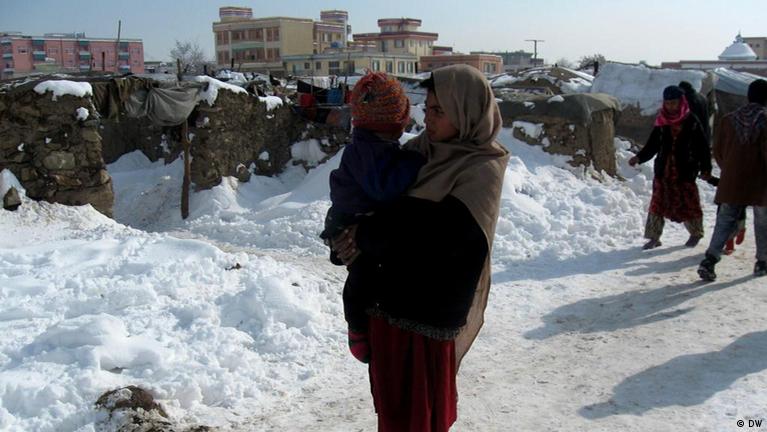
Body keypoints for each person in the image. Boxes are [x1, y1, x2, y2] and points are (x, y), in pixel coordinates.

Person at [331, 64, 509, 431]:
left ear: (466, 112)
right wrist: (345, 240)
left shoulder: (478, 169)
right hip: (385, 313)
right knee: (394, 414)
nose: (428, 119)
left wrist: (365, 237)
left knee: (420, 418)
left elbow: (443, 243)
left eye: (439, 111)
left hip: (427, 321)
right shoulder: (420, 152)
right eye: (426, 109)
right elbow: (371, 208)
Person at [320, 71, 425, 363]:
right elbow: (383, 190)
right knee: (360, 281)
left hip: (354, 216)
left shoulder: (373, 145)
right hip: (349, 217)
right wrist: (414, 161)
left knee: (366, 277)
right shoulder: (370, 151)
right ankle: (357, 330)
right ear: (397, 120)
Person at [698, 79, 767, 281]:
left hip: (732, 180)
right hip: (760, 181)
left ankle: (710, 259)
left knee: (725, 221)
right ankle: (762, 262)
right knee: (762, 222)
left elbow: (718, 151)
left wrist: (730, 170)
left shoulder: (729, 119)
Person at [629, 85, 712, 249]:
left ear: (681, 102)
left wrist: (706, 168)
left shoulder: (691, 121)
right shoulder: (662, 122)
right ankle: (654, 237)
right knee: (657, 203)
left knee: (689, 202)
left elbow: (702, 146)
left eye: (674, 103)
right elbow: (653, 144)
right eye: (668, 103)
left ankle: (696, 233)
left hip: (685, 170)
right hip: (664, 170)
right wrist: (639, 157)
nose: (671, 106)